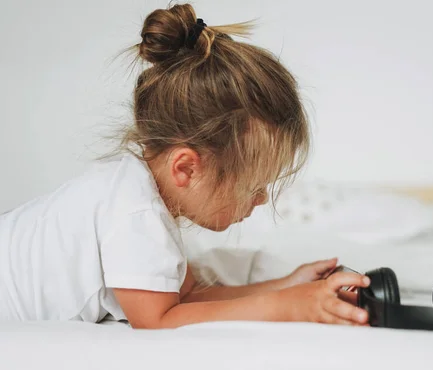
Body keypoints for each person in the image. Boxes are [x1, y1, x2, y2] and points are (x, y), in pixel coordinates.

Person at [0, 3, 370, 328]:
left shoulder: (143, 196)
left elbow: (188, 298)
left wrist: (289, 285)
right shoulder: (134, 213)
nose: (259, 200)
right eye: (252, 186)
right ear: (186, 169)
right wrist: (286, 308)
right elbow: (160, 321)